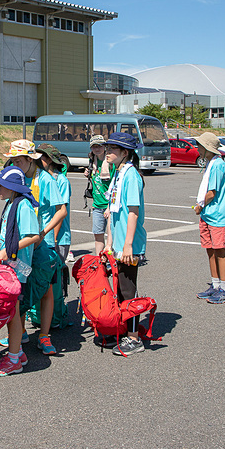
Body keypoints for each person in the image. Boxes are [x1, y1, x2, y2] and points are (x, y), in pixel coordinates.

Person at [0, 165, 56, 375]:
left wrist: (9, 249)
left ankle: (14, 359)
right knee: (12, 313)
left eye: (2, 185)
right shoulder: (11, 203)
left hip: (19, 268)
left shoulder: (23, 205)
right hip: (11, 266)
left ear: (12, 188)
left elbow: (33, 236)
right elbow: (6, 231)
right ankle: (17, 353)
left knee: (14, 314)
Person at [4, 139, 65, 355]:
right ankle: (19, 333)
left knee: (45, 289)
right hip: (22, 244)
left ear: (31, 160)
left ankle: (44, 335)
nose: (15, 164)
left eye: (19, 160)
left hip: (42, 244)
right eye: (13, 160)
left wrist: (43, 233)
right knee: (20, 287)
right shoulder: (17, 178)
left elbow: (61, 211)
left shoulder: (45, 179)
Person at [102, 132, 148, 357]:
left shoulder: (131, 175)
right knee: (119, 289)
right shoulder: (118, 173)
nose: (108, 152)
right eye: (108, 148)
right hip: (118, 243)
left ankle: (134, 338)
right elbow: (112, 211)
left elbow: (133, 212)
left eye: (112, 149)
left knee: (128, 291)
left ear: (125, 153)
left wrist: (128, 245)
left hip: (129, 244)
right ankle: (121, 331)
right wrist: (109, 242)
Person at [31, 143, 71, 329]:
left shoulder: (59, 181)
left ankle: (55, 317)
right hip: (43, 238)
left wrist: (52, 239)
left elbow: (60, 212)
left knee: (53, 282)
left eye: (42, 158)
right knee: (41, 280)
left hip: (57, 238)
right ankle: (40, 316)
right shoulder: (39, 178)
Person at [193, 132, 225, 304]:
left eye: (200, 146)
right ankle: (215, 284)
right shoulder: (211, 163)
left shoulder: (217, 165)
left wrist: (200, 205)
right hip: (209, 215)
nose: (198, 149)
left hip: (218, 215)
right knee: (210, 250)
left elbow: (211, 192)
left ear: (208, 148)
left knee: (219, 251)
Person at [83, 135, 112, 255]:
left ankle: (112, 260)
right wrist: (87, 174)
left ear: (104, 147)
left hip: (109, 205)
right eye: (94, 146)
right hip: (97, 204)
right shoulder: (92, 162)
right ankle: (100, 260)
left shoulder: (110, 162)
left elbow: (115, 186)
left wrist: (110, 207)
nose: (97, 149)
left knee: (111, 236)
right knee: (98, 234)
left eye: (99, 146)